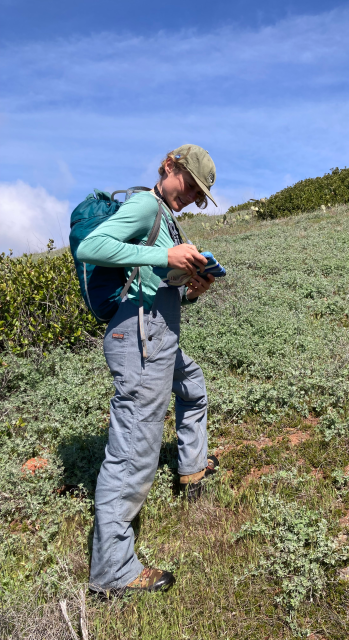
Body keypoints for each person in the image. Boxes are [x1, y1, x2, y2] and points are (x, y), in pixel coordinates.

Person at [77, 144, 218, 596]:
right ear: (169, 167)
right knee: (134, 447)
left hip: (157, 336)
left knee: (192, 388)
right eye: (192, 185)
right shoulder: (143, 204)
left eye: (201, 194)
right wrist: (165, 258)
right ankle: (113, 572)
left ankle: (191, 469)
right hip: (139, 341)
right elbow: (89, 245)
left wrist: (193, 286)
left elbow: (154, 285)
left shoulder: (166, 216)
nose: (194, 197)